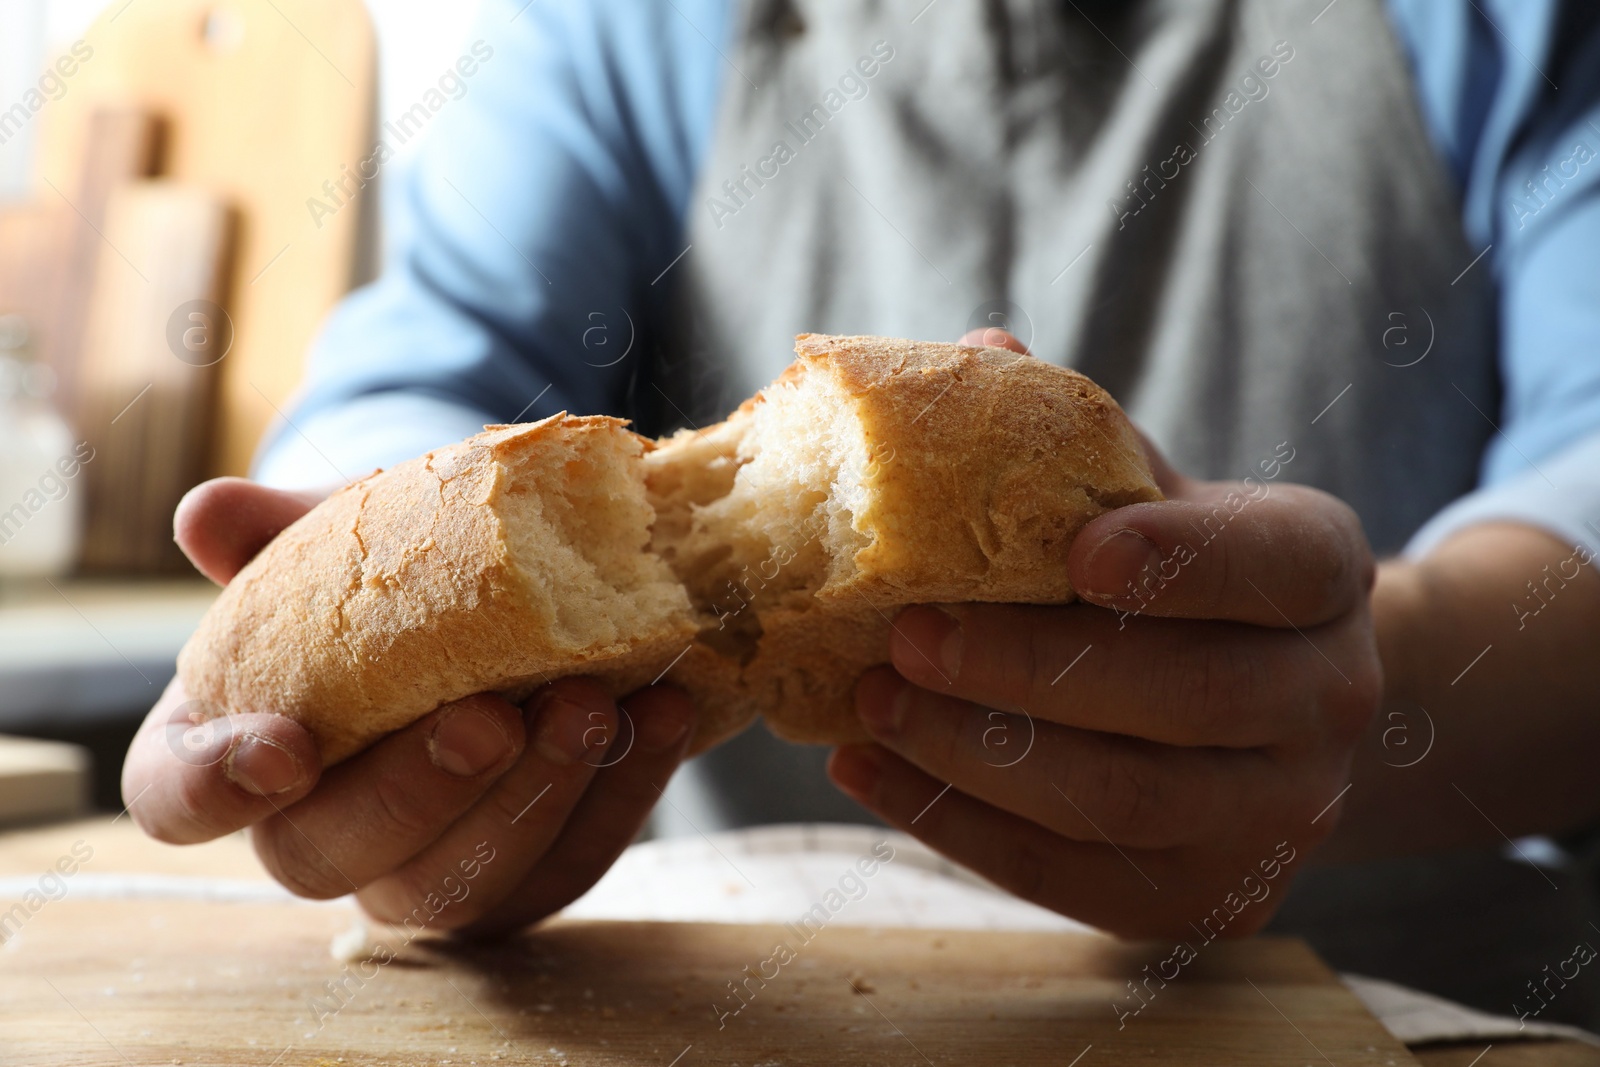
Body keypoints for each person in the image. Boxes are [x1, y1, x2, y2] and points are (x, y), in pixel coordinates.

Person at [123, 0, 1600, 1025]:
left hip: (1414, 998)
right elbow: (427, 367)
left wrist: (1370, 681)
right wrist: (366, 612)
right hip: (686, 994)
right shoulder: (617, 27)